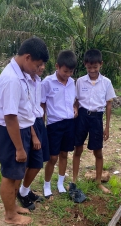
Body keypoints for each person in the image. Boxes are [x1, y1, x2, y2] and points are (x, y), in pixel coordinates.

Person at [0, 37, 49, 225]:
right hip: (10, 133)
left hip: (21, 129)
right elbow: (10, 117)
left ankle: (13, 207)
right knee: (10, 174)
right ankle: (10, 215)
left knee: (18, 172)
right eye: (37, 65)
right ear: (27, 57)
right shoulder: (12, 79)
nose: (38, 69)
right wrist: (19, 148)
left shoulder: (22, 75)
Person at [70, 49, 117, 202]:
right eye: (89, 67)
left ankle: (98, 182)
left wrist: (107, 127)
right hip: (82, 117)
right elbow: (76, 101)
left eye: (95, 67)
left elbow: (109, 105)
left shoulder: (107, 83)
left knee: (98, 152)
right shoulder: (80, 81)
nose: (92, 70)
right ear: (85, 65)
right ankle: (74, 181)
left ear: (100, 65)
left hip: (97, 118)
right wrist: (75, 109)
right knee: (78, 149)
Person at [41, 50, 78, 199]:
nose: (68, 74)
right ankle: (47, 184)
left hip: (69, 123)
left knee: (64, 154)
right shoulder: (47, 83)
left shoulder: (72, 82)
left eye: (70, 71)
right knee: (53, 157)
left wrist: (75, 108)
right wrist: (42, 125)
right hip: (54, 124)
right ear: (57, 66)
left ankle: (60, 183)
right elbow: (42, 105)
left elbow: (74, 100)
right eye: (65, 71)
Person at [17, 61, 50, 210]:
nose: (42, 67)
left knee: (37, 162)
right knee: (32, 163)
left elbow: (38, 106)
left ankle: (25, 190)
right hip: (28, 125)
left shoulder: (38, 81)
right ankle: (20, 193)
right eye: (39, 64)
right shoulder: (23, 83)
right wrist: (34, 135)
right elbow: (24, 112)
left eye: (44, 64)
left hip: (38, 122)